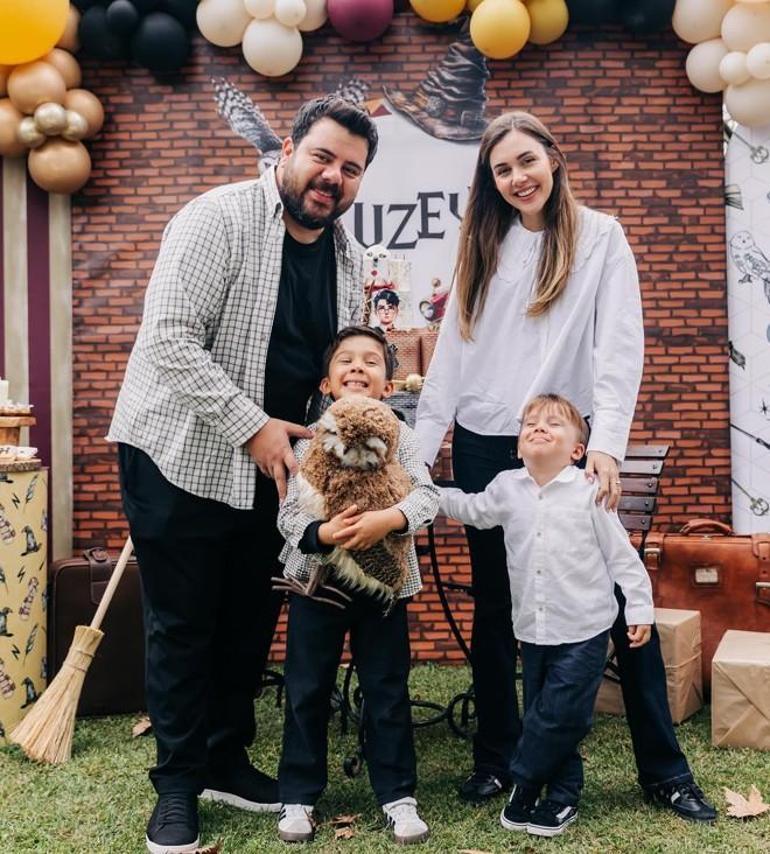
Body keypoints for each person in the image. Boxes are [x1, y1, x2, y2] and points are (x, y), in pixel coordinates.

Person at [414, 111, 717, 822]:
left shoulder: (601, 237)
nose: (518, 177)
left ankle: (665, 771)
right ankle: (498, 758)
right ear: (490, 181)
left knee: (614, 596)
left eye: (527, 160)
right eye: (502, 169)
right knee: (497, 607)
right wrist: (420, 455)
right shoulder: (482, 247)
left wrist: (606, 443)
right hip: (486, 443)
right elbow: (450, 360)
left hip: (567, 442)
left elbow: (620, 348)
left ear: (553, 157)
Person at [108, 96, 379, 854]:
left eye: (351, 168)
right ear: (287, 150)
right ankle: (176, 785)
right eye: (322, 156)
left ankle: (225, 759)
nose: (333, 176)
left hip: (277, 470)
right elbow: (168, 338)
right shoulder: (216, 217)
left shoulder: (351, 260)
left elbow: (333, 372)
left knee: (248, 621)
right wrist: (252, 426)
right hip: (180, 453)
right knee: (183, 624)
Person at [440, 393, 654, 837]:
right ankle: (561, 796)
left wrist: (640, 607)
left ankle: (524, 779)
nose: (539, 427)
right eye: (530, 423)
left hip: (585, 626)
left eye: (554, 424)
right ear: (519, 445)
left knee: (559, 715)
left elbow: (622, 557)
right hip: (533, 628)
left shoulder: (589, 492)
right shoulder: (506, 487)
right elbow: (472, 509)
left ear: (578, 450)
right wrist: (427, 496)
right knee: (550, 712)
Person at [275, 326, 439, 845]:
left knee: (387, 689)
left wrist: (388, 520)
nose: (357, 368)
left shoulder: (403, 437)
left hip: (383, 587)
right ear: (327, 383)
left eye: (371, 361)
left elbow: (427, 497)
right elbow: (288, 513)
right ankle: (298, 795)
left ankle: (397, 795)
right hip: (317, 582)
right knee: (306, 688)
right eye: (346, 360)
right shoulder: (310, 440)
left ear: (389, 387)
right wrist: (322, 533)